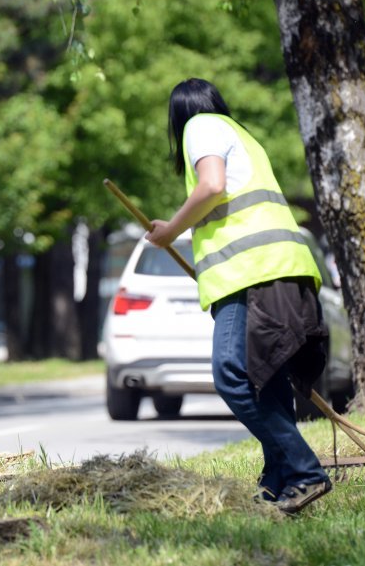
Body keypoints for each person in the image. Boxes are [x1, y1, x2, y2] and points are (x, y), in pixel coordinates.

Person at [146, 79, 331, 514]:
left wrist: (171, 229)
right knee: (264, 377)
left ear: (179, 116)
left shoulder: (201, 126)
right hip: (283, 267)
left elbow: (211, 186)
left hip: (252, 274)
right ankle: (280, 481)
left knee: (230, 373)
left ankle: (304, 470)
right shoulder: (242, 134)